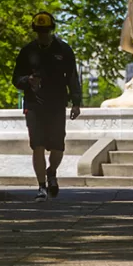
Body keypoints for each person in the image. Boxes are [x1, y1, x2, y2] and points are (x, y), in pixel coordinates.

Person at [11, 12, 82, 202]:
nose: (43, 34)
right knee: (38, 146)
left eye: (46, 31)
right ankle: (41, 186)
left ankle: (51, 172)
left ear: (52, 30)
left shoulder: (64, 50)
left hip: (57, 104)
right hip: (34, 105)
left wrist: (76, 102)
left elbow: (73, 78)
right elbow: (16, 79)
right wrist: (28, 80)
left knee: (58, 147)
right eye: (39, 31)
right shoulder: (27, 52)